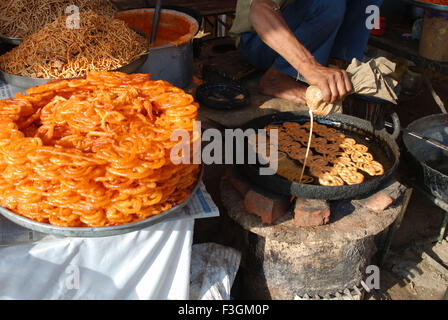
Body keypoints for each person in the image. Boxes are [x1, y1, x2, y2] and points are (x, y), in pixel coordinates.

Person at [229, 0, 383, 105]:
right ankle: (276, 78)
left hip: (306, 40)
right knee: (329, 2)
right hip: (257, 42)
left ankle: (337, 66)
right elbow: (259, 12)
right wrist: (310, 67)